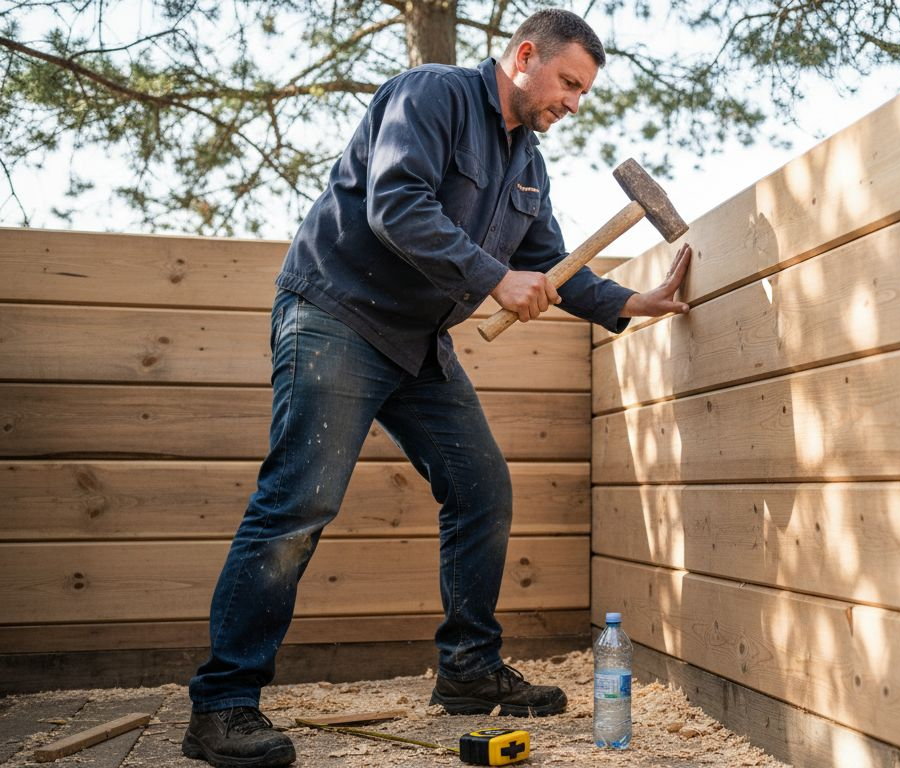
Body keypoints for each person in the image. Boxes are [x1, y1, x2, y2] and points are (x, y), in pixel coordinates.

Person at [181, 9, 692, 767]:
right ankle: (222, 705)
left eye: (584, 93)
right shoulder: (430, 96)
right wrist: (494, 278)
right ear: (526, 56)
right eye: (569, 84)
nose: (574, 103)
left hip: (418, 345)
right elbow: (397, 206)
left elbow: (549, 262)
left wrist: (628, 302)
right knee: (299, 502)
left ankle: (467, 668)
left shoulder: (528, 163)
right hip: (336, 314)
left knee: (481, 486)